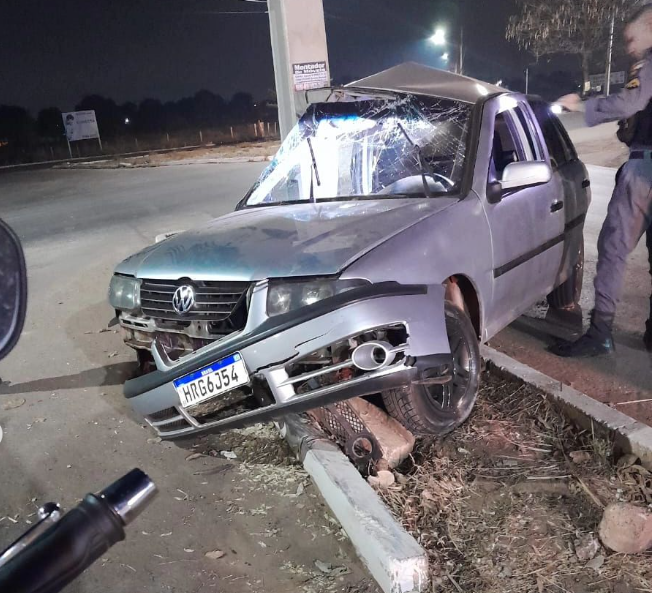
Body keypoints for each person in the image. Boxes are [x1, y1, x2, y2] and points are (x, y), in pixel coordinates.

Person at [554, 5, 652, 356]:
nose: (629, 46)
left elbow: (631, 102)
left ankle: (600, 333)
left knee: (613, 251)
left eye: (631, 37)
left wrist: (582, 106)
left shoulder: (649, 63)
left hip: (644, 171)